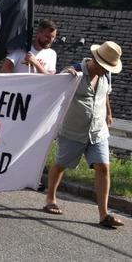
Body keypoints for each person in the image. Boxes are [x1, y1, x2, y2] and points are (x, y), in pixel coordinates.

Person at [44, 41, 125, 229]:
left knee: (103, 167)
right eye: (104, 67)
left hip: (98, 132)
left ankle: (104, 214)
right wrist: (65, 75)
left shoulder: (107, 76)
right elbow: (54, 86)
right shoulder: (75, 72)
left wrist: (109, 113)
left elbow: (105, 95)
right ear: (95, 61)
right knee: (61, 165)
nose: (106, 71)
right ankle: (50, 198)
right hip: (73, 131)